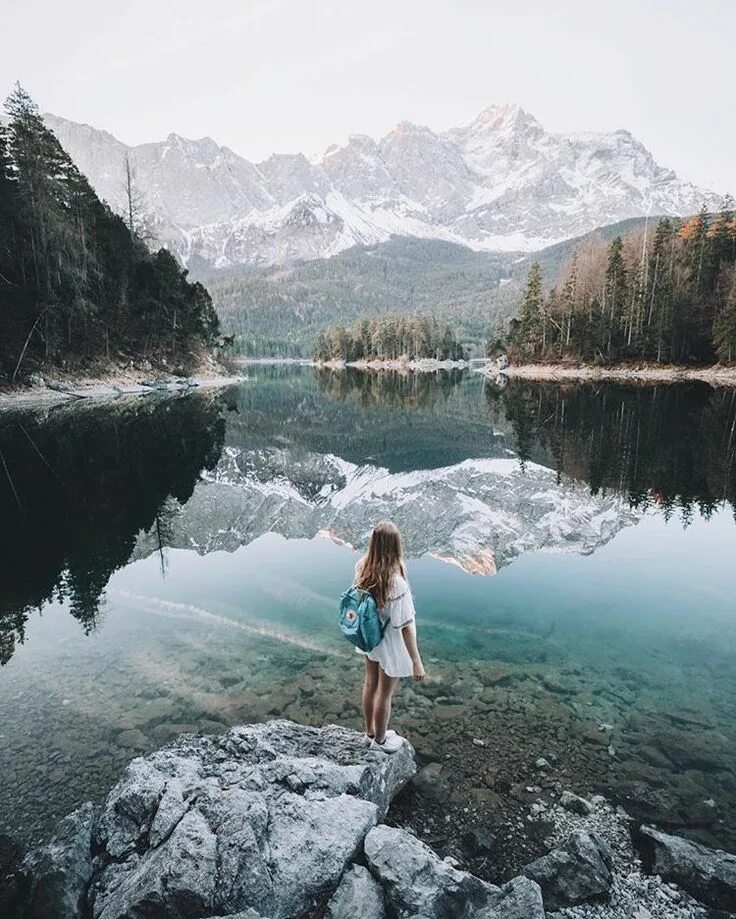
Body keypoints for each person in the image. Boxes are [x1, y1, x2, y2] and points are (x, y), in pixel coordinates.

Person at [354, 520, 425, 753]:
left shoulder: (362, 567)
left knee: (369, 683)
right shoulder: (397, 583)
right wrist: (416, 661)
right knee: (385, 692)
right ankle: (381, 741)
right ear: (395, 547)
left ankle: (370, 733)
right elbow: (404, 625)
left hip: (370, 637)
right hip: (390, 644)